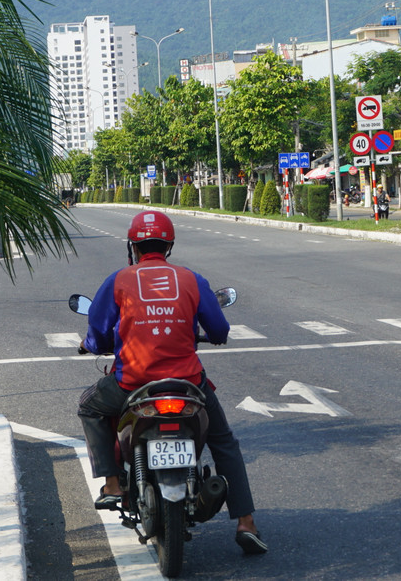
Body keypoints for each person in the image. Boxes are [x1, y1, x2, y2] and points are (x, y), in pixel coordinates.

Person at [77, 210, 267, 556]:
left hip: (131, 383)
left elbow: (98, 333)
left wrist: (90, 345)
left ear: (133, 246)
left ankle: (113, 483)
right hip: (189, 385)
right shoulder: (191, 279)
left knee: (88, 406)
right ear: (169, 245)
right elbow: (220, 331)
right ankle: (246, 522)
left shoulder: (119, 280)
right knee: (224, 443)